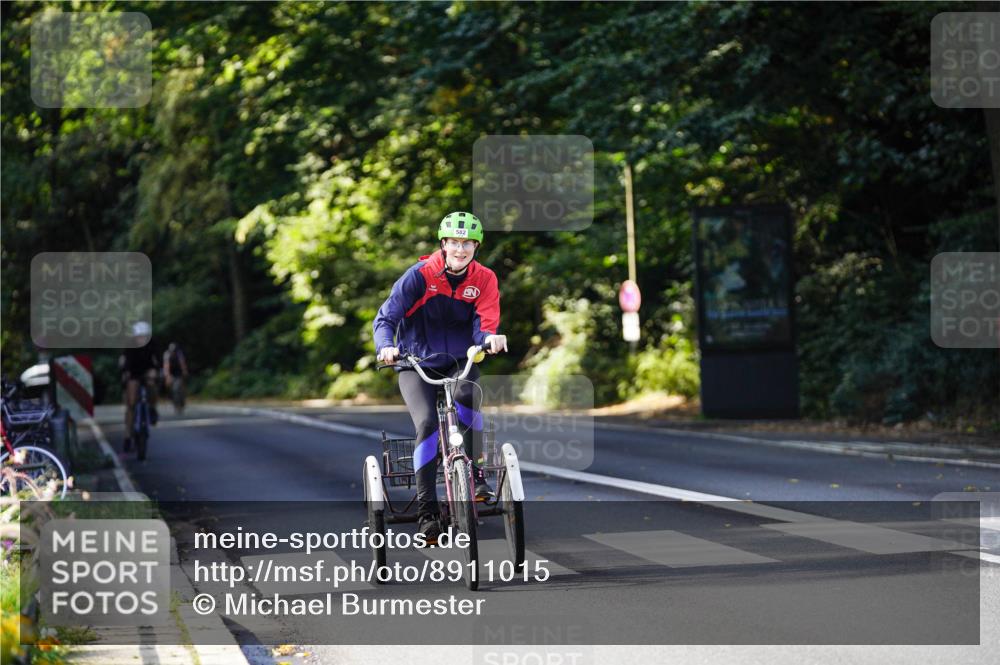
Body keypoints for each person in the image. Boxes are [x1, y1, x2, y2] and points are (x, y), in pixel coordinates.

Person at [373, 211, 508, 544]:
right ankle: (427, 512)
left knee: (467, 394)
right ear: (443, 244)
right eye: (454, 243)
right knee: (427, 424)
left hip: (460, 360)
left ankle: (476, 474)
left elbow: (485, 323)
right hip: (415, 362)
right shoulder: (419, 276)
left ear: (476, 247)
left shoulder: (484, 279)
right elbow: (386, 318)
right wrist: (386, 346)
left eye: (467, 243)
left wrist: (490, 338)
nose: (460, 249)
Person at [119, 321, 160, 451]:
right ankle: (128, 435)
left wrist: (155, 371)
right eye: (139, 337)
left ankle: (152, 408)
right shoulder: (129, 346)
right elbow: (125, 364)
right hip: (133, 372)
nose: (142, 339)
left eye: (144, 336)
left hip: (148, 371)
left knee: (152, 384)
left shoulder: (153, 344)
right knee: (131, 403)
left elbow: (157, 360)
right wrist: (126, 374)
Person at [163, 342, 189, 414]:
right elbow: (166, 365)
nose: (173, 352)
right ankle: (175, 405)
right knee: (173, 390)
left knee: (178, 389)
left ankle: (182, 403)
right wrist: (167, 377)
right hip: (171, 374)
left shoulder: (179, 353)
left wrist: (184, 371)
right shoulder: (167, 354)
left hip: (179, 374)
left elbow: (182, 363)